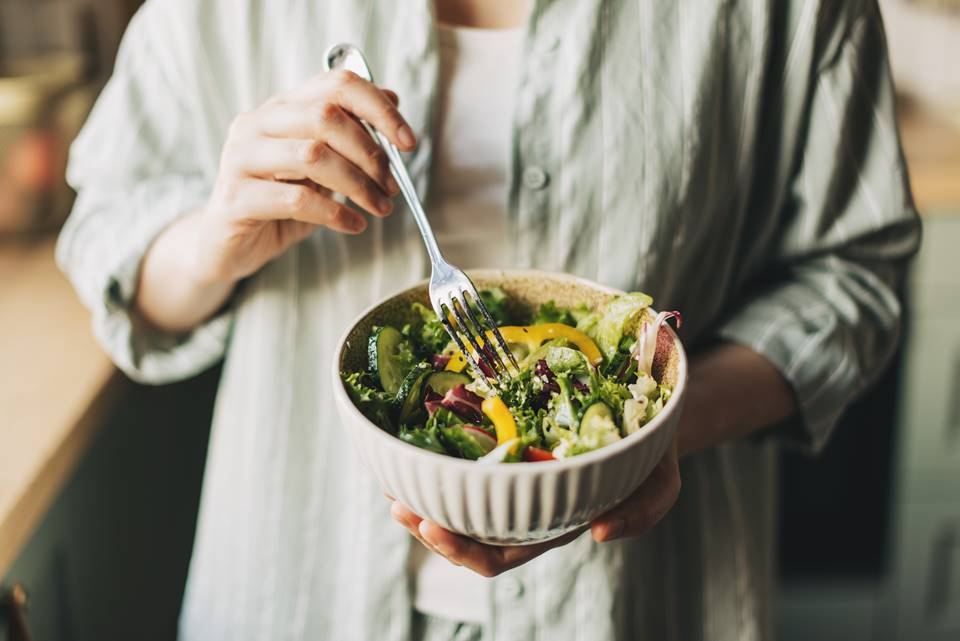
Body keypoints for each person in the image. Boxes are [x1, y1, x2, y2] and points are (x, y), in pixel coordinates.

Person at [57, 0, 920, 639]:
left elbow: (856, 276)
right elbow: (109, 244)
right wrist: (223, 236)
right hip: (298, 583)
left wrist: (660, 427)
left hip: (642, 597)